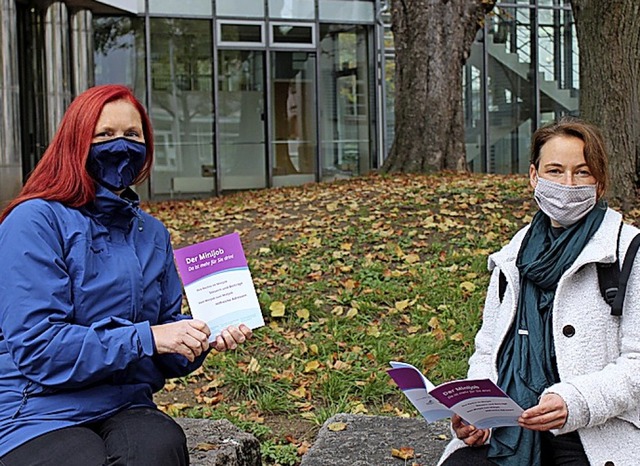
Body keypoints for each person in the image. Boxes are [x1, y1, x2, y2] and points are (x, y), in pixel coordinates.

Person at [0, 84, 253, 466]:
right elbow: (39, 347)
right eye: (104, 135)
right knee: (81, 459)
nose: (121, 146)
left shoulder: (151, 233)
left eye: (132, 135)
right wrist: (148, 337)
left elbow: (163, 344)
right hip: (35, 408)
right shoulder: (34, 220)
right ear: (76, 142)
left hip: (124, 403)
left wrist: (200, 337)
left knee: (160, 446)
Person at [438, 116, 640, 466]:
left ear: (600, 182)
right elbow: (488, 349)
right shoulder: (513, 256)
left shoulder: (628, 252)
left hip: (597, 431)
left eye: (582, 172)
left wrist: (575, 402)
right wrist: (478, 413)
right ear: (534, 176)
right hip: (511, 427)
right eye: (555, 171)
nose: (567, 184)